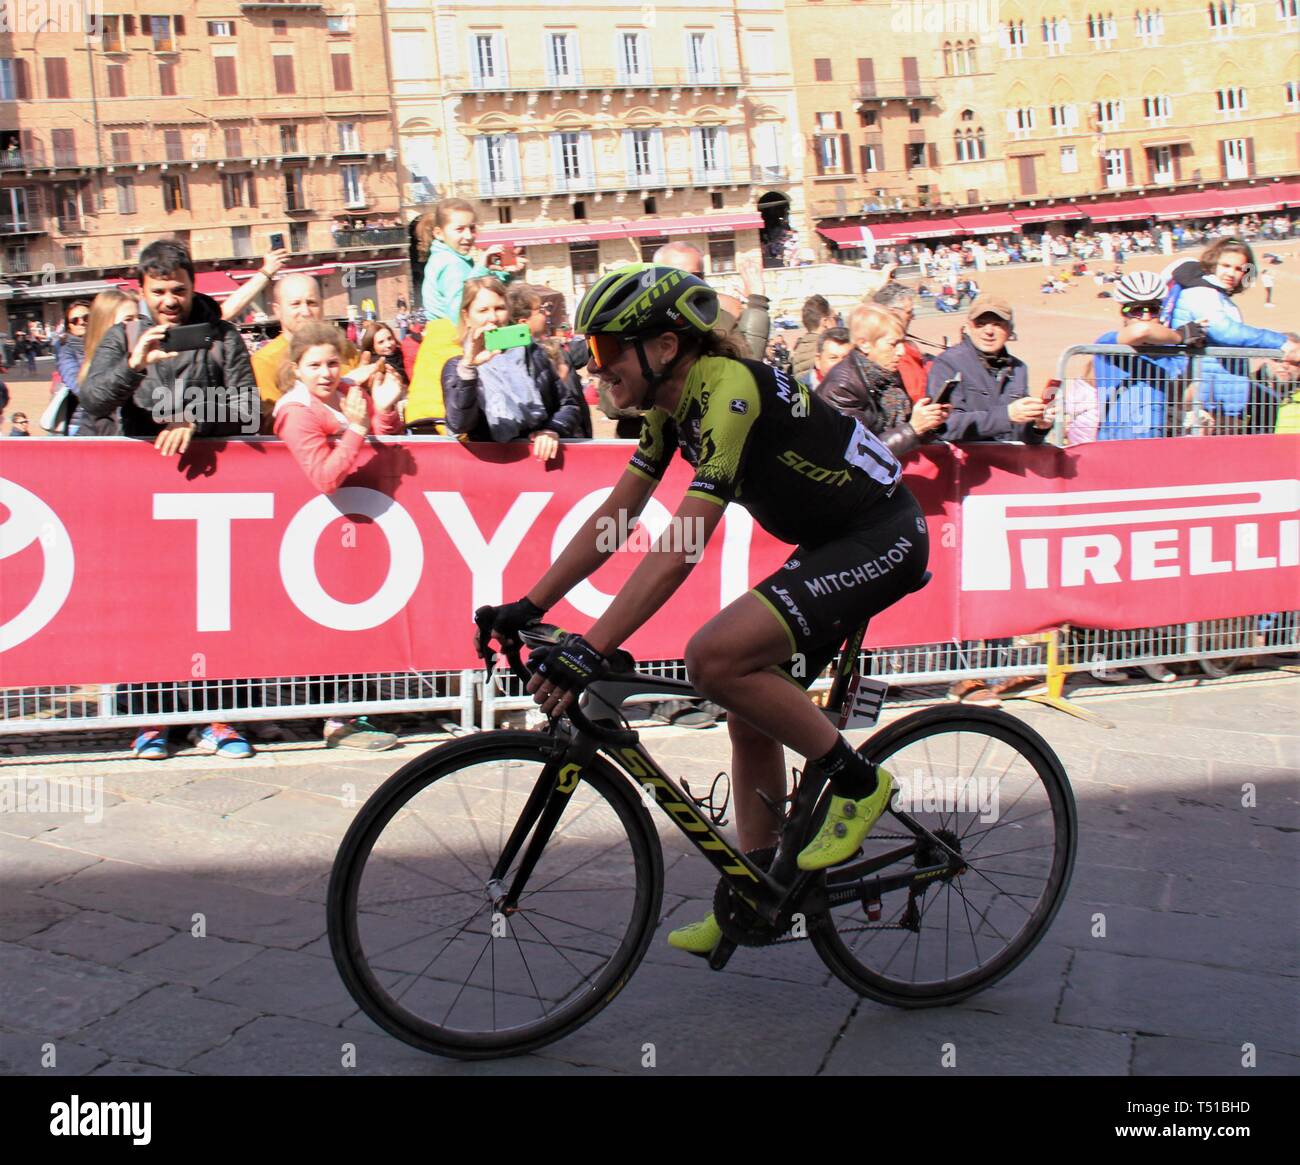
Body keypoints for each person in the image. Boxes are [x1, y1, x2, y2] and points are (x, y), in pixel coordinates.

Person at [476, 264, 930, 955]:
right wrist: (531, 601)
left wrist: (594, 644)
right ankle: (761, 888)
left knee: (713, 656)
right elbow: (619, 513)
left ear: (663, 347)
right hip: (830, 539)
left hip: (881, 535)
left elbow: (684, 539)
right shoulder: (665, 409)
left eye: (605, 352)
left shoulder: (728, 390)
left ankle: (858, 782)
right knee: (750, 716)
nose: (595, 369)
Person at [76, 240, 260, 760]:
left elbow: (248, 408)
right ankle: (151, 718)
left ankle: (222, 719)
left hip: (213, 494)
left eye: (179, 289)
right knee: (147, 609)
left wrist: (193, 419)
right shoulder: (124, 335)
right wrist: (133, 365)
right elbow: (93, 399)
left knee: (219, 610)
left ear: (193, 284)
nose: (170, 300)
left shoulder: (223, 336)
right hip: (143, 498)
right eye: (160, 291)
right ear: (142, 289)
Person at [272, 320, 403, 752]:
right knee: (327, 629)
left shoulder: (347, 393)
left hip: (360, 524)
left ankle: (351, 711)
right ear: (296, 370)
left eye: (332, 363)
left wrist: (383, 409)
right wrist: (358, 428)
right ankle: (334, 719)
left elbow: (385, 445)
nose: (326, 373)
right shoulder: (295, 412)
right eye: (315, 366)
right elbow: (325, 477)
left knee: (356, 623)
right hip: (315, 531)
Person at [927, 296, 1054, 707]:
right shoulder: (948, 364)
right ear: (967, 324)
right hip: (960, 486)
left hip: (1003, 487)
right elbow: (945, 424)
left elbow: (1024, 434)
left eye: (997, 323)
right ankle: (958, 672)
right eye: (982, 322)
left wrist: (1037, 426)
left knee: (1000, 574)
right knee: (959, 578)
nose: (989, 330)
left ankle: (997, 666)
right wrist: (1009, 415)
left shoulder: (1019, 369)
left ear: (1009, 329)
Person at [442, 278, 586, 460]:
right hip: (493, 470)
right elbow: (459, 425)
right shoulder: (457, 367)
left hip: (542, 463)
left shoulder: (533, 354)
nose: (493, 318)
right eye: (483, 310)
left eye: (499, 308)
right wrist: (470, 367)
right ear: (467, 316)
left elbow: (569, 405)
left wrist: (552, 429)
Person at [1164, 238, 1300, 427]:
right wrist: (1279, 342)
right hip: (1203, 403)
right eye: (1226, 265)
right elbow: (1225, 331)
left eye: (1239, 269)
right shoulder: (1200, 292)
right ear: (1213, 264)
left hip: (1217, 400)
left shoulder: (1216, 294)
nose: (1231, 273)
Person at [817, 305, 949, 458]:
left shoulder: (884, 374)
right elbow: (859, 451)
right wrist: (913, 429)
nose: (901, 351)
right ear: (864, 344)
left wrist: (931, 423)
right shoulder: (841, 387)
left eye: (902, 342)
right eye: (893, 344)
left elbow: (904, 429)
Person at [1092, 270, 1206, 442]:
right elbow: (1141, 331)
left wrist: (1193, 354)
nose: (1145, 316)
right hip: (1113, 444)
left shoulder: (1168, 351)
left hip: (1153, 444)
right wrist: (1180, 336)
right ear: (1123, 312)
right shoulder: (1108, 343)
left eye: (1152, 309)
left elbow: (1184, 398)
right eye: (1136, 310)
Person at [251, 273, 358, 428]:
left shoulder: (346, 349)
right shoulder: (264, 360)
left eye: (312, 303)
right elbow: (273, 423)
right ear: (278, 310)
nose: (306, 312)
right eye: (296, 304)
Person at [419, 198, 523, 322]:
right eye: (459, 229)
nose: (468, 236)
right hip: (453, 338)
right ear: (439, 233)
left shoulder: (445, 258)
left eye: (472, 228)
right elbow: (460, 312)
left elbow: (478, 296)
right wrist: (481, 269)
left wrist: (503, 274)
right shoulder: (451, 263)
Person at [871, 282, 929, 402]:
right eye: (909, 312)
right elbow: (916, 394)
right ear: (893, 313)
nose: (912, 317)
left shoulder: (908, 346)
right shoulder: (885, 352)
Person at [54, 301, 91, 431]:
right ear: (69, 326)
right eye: (75, 320)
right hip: (80, 421)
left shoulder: (106, 341)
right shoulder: (66, 349)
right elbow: (77, 385)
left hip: (113, 420)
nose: (81, 322)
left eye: (86, 317)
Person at [790, 295, 835, 382]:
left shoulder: (799, 347)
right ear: (825, 322)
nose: (836, 321)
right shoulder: (826, 350)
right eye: (834, 318)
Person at [796, 326, 852, 392]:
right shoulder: (800, 392)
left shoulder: (863, 390)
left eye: (847, 358)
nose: (841, 364)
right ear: (818, 361)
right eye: (833, 358)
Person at [358, 321, 410, 389]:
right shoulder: (375, 367)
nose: (388, 344)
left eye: (390, 338)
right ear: (372, 348)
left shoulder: (403, 354)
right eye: (381, 342)